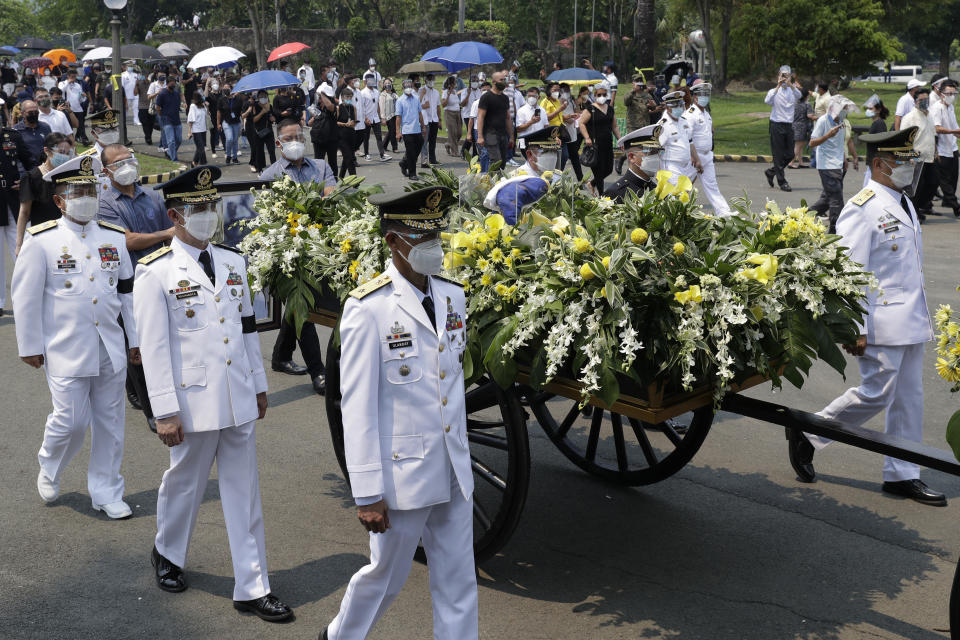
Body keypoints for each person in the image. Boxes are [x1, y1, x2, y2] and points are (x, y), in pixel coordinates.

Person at [134, 166, 293, 621]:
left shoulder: (232, 261)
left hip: (237, 395)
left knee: (245, 491)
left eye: (212, 206)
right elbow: (155, 348)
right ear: (175, 214)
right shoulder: (156, 273)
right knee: (185, 482)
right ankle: (168, 552)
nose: (208, 215)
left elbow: (245, 330)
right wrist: (164, 410)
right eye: (198, 208)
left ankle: (253, 585)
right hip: (191, 399)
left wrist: (259, 385)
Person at [318, 186, 477, 640]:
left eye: (436, 235)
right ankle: (339, 637)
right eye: (419, 237)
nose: (433, 247)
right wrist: (367, 491)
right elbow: (358, 406)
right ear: (393, 242)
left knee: (458, 580)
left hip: (452, 467)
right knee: (385, 577)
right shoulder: (367, 309)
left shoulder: (452, 296)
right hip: (402, 474)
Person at [787, 126, 946, 507]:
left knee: (909, 399)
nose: (910, 168)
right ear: (879, 164)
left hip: (909, 320)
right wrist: (854, 326)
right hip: (879, 322)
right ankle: (809, 432)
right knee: (876, 393)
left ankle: (902, 473)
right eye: (902, 162)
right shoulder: (863, 207)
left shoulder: (902, 201)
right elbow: (850, 273)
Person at [11, 155, 138, 518]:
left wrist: (136, 339)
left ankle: (106, 490)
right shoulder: (42, 240)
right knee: (71, 420)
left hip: (109, 347)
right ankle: (49, 463)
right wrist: (29, 346)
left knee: (111, 423)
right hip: (64, 347)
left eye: (90, 189)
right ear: (59, 200)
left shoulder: (112, 237)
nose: (86, 196)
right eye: (77, 191)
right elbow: (25, 296)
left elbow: (126, 293)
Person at [97, 143, 174, 433]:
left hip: (159, 277)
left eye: (129, 159)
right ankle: (152, 410)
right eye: (119, 163)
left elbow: (172, 232)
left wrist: (166, 236)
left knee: (158, 338)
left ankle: (140, 390)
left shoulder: (151, 196)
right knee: (137, 345)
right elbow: (125, 241)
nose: (127, 166)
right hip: (129, 284)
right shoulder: (105, 203)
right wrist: (164, 234)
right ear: (106, 172)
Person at [260, 120, 335, 394]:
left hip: (317, 246)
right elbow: (268, 216)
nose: (295, 141)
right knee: (302, 305)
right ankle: (319, 371)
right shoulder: (269, 176)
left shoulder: (321, 166)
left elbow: (332, 193)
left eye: (299, 136)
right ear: (278, 143)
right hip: (286, 251)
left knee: (298, 304)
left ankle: (280, 355)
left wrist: (323, 200)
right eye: (289, 137)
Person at [16, 132, 72, 253]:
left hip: (69, 236)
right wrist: (19, 244)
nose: (65, 156)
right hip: (43, 236)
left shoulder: (70, 174)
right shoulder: (31, 177)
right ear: (47, 150)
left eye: (68, 153)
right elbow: (24, 212)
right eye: (61, 152)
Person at [809, 95, 856, 232]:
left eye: (846, 108)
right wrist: (827, 135)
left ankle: (802, 217)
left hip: (837, 164)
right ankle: (835, 231)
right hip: (826, 165)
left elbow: (840, 143)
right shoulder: (823, 121)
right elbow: (812, 143)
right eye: (844, 108)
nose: (846, 111)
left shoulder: (842, 121)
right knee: (836, 201)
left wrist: (844, 158)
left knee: (826, 200)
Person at [685, 82, 729, 215]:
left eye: (707, 94)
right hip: (692, 157)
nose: (704, 97)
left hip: (707, 156)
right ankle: (668, 210)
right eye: (701, 95)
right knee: (682, 186)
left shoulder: (706, 114)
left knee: (712, 186)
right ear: (695, 97)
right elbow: (687, 138)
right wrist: (695, 158)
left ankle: (724, 214)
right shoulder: (690, 114)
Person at [763, 65, 802, 192]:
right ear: (778, 76)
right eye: (782, 75)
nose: (784, 78)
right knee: (778, 155)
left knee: (791, 153)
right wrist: (778, 85)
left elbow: (800, 95)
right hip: (776, 124)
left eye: (787, 75)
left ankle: (771, 172)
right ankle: (782, 181)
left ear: (790, 77)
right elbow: (767, 101)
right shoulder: (773, 91)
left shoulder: (793, 90)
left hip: (789, 125)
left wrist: (790, 84)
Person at [902, 88, 937, 221]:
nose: (924, 102)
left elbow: (932, 134)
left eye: (926, 100)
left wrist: (936, 151)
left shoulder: (929, 115)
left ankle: (918, 207)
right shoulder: (910, 118)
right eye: (921, 100)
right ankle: (912, 212)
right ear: (915, 101)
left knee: (933, 183)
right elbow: (904, 139)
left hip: (929, 157)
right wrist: (908, 156)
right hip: (916, 158)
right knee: (916, 188)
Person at [578, 83, 620, 194]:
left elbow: (614, 126)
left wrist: (620, 139)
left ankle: (591, 183)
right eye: (599, 94)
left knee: (609, 169)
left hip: (607, 143)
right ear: (595, 95)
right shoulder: (590, 109)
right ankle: (601, 196)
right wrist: (587, 137)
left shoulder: (610, 109)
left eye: (604, 94)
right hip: (594, 145)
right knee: (598, 172)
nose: (602, 96)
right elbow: (581, 123)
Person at [604, 124, 663, 202]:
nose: (656, 157)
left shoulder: (657, 190)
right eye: (650, 152)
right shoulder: (616, 193)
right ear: (631, 157)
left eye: (658, 152)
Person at [932, 79, 960, 217]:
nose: (952, 96)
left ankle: (948, 201)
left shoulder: (951, 107)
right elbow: (937, 128)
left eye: (954, 93)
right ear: (941, 93)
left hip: (953, 147)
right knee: (945, 181)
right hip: (942, 149)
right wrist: (952, 132)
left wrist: (957, 133)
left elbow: (954, 126)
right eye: (949, 93)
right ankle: (956, 207)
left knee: (954, 178)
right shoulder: (937, 108)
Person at [477, 74, 513, 171]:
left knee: (503, 162)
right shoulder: (486, 97)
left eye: (504, 79)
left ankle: (499, 182)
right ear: (494, 82)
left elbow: (508, 118)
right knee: (496, 161)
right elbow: (480, 117)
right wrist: (480, 136)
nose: (503, 81)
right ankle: (490, 183)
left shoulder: (505, 98)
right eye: (501, 80)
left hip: (503, 134)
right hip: (490, 134)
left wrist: (511, 137)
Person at [395, 79, 424, 180]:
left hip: (417, 129)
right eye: (406, 87)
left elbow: (420, 113)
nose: (408, 89)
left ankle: (404, 162)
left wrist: (423, 126)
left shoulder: (416, 98)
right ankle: (412, 173)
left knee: (419, 147)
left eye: (410, 87)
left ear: (412, 87)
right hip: (407, 130)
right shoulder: (400, 101)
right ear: (403, 88)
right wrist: (398, 132)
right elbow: (398, 117)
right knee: (411, 153)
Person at [309, 86, 339, 175]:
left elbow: (329, 105)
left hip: (331, 139)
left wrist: (322, 93)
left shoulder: (332, 107)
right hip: (318, 139)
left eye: (321, 97)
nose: (319, 99)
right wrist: (313, 118)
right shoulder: (316, 108)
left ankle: (334, 183)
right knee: (318, 162)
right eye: (318, 97)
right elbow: (310, 123)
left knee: (332, 162)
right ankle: (319, 184)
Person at [244, 90, 276, 174]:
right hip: (258, 132)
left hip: (268, 131)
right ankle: (260, 169)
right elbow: (254, 119)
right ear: (258, 98)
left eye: (265, 96)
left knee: (272, 150)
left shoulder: (270, 106)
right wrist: (262, 112)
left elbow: (272, 117)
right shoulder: (255, 106)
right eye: (261, 96)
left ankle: (275, 169)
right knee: (259, 151)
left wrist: (272, 118)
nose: (263, 98)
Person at [14, 100, 53, 166]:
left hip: (45, 167)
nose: (34, 114)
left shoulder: (45, 127)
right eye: (30, 113)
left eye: (36, 112)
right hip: (26, 170)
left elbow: (52, 147)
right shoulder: (16, 131)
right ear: (22, 113)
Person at [360, 74, 388, 161]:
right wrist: (365, 118)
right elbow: (362, 107)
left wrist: (381, 117)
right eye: (370, 80)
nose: (371, 81)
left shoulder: (376, 92)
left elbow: (378, 105)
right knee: (366, 138)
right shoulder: (363, 92)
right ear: (366, 81)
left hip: (375, 118)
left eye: (373, 80)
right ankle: (366, 154)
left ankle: (382, 154)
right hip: (367, 119)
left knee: (379, 137)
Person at [155, 75, 183, 162]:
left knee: (178, 140)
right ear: (167, 84)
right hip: (167, 120)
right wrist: (162, 115)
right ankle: (174, 159)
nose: (173, 85)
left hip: (177, 120)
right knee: (171, 141)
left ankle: (171, 152)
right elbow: (157, 107)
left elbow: (178, 105)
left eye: (174, 83)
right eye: (172, 84)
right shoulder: (162, 94)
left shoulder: (176, 94)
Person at [59, 69, 88, 144]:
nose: (74, 78)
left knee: (81, 125)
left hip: (78, 108)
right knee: (69, 126)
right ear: (68, 76)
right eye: (72, 76)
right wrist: (68, 82)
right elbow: (60, 91)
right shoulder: (62, 83)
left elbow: (81, 99)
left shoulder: (78, 85)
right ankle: (70, 141)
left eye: (75, 77)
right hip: (67, 108)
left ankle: (83, 139)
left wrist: (84, 96)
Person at [217, 84, 244, 165]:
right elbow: (218, 112)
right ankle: (228, 155)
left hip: (236, 122)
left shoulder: (238, 99)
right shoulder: (221, 99)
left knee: (235, 140)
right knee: (229, 139)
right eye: (224, 88)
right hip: (226, 122)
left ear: (232, 89)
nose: (226, 89)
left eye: (227, 88)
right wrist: (218, 123)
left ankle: (235, 157)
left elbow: (241, 110)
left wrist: (244, 122)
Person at [789, 89, 815, 169]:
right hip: (802, 126)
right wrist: (819, 117)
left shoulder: (794, 103)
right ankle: (791, 162)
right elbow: (809, 116)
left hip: (793, 125)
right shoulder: (807, 104)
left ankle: (801, 162)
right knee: (798, 145)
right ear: (807, 96)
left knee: (800, 145)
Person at [418, 74, 441, 168]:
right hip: (425, 120)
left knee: (433, 140)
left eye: (433, 79)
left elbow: (438, 106)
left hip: (434, 119)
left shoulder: (436, 92)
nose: (432, 81)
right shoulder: (421, 91)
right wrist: (422, 94)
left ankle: (432, 159)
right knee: (424, 141)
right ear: (425, 80)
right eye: (430, 79)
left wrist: (440, 119)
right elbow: (417, 105)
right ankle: (423, 159)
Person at [337, 87, 359, 179]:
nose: (349, 99)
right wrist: (345, 124)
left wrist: (353, 123)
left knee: (347, 157)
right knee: (349, 159)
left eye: (350, 97)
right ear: (342, 97)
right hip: (341, 135)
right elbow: (334, 122)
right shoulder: (338, 108)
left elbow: (355, 121)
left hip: (351, 134)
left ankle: (340, 177)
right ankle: (354, 181)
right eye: (347, 97)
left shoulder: (353, 107)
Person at [441, 76, 462, 157]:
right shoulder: (445, 92)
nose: (456, 83)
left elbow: (457, 103)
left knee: (459, 133)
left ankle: (448, 144)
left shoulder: (455, 91)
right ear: (451, 83)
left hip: (457, 113)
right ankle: (455, 151)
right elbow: (443, 104)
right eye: (455, 82)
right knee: (453, 133)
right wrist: (448, 95)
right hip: (449, 114)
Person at [186, 93, 208, 168]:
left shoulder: (203, 106)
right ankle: (194, 162)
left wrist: (206, 106)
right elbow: (190, 119)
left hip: (203, 129)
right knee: (200, 147)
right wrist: (189, 131)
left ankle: (202, 162)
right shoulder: (193, 106)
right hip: (196, 130)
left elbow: (207, 115)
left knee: (201, 147)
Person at [379, 80, 399, 154]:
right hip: (388, 116)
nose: (388, 84)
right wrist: (383, 118)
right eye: (386, 83)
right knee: (393, 132)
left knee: (391, 131)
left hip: (395, 115)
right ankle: (395, 147)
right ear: (384, 85)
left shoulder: (394, 94)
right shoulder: (382, 95)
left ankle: (384, 145)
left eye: (389, 83)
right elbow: (382, 107)